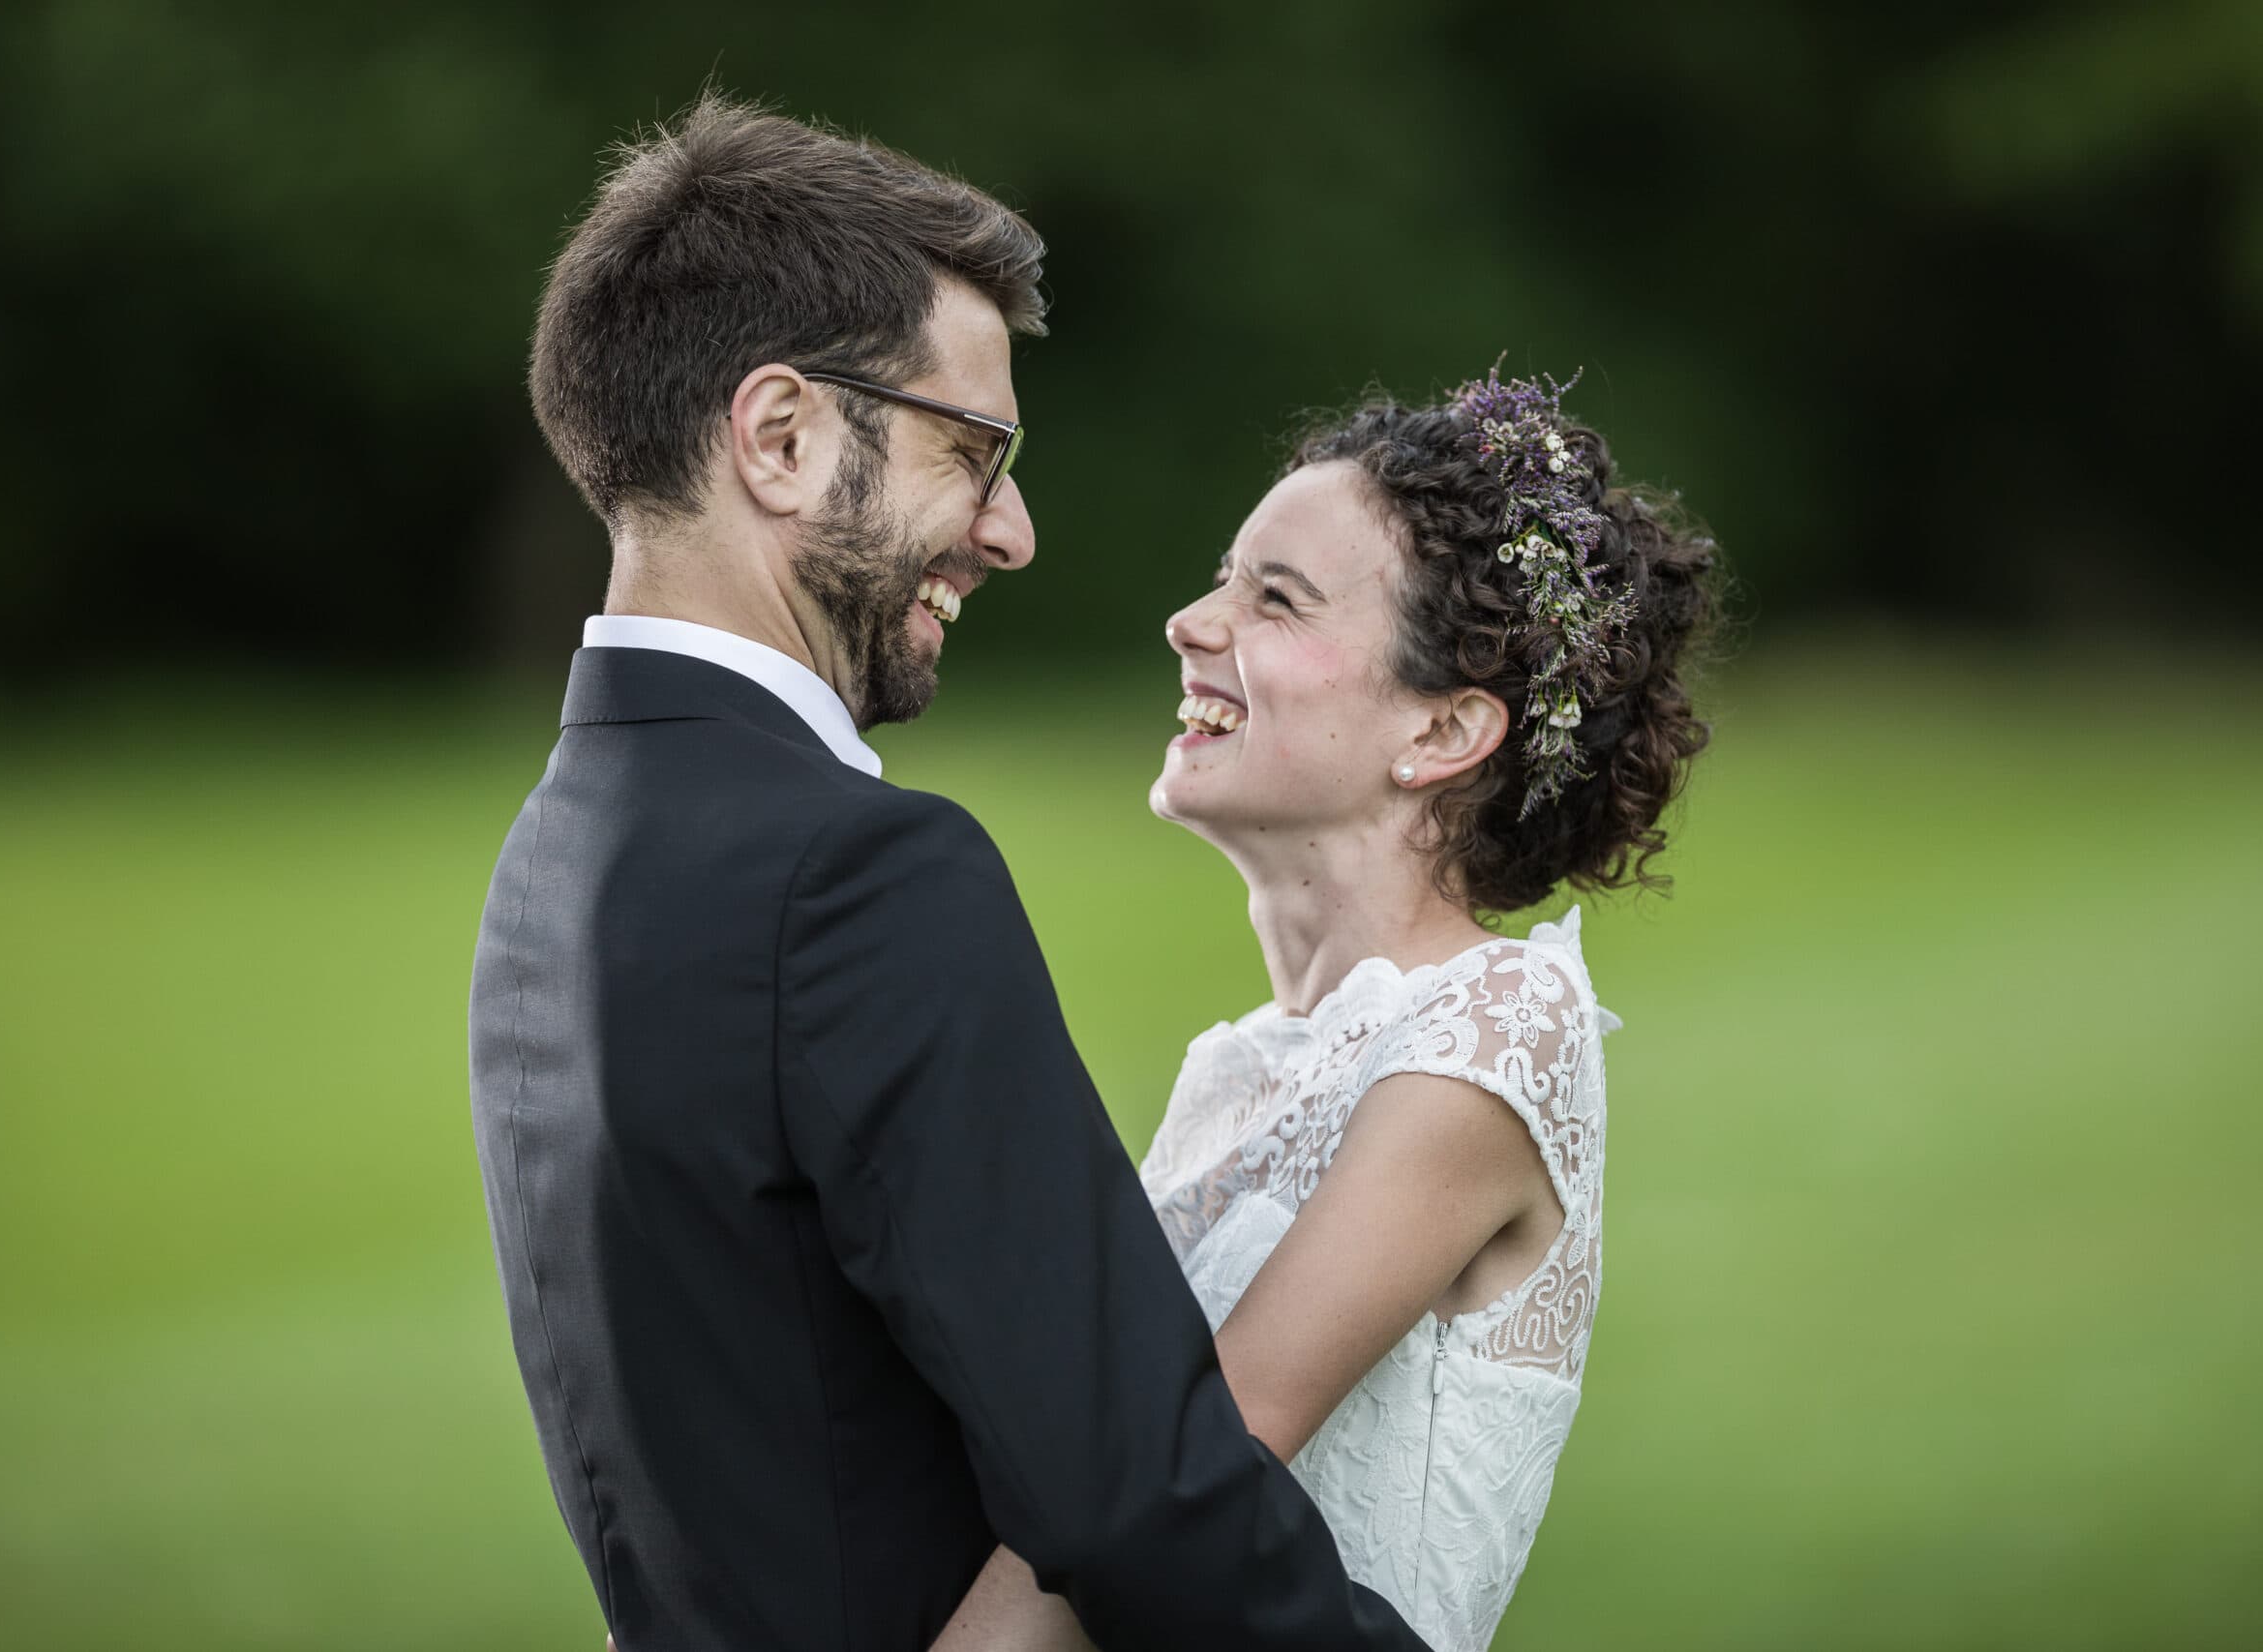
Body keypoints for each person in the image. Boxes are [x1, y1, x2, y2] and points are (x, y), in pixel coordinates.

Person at [467, 93, 1426, 1652]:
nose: (1013, 530)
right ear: (780, 437)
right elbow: (1129, 1491)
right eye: (971, 452)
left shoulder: (556, 853)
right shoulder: (855, 875)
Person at [930, 371, 1719, 1652]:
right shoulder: (1234, 1068)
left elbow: (1176, 1483)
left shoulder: (1495, 1029)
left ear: (1445, 727)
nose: (1191, 623)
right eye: (1222, 578)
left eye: (1273, 599)